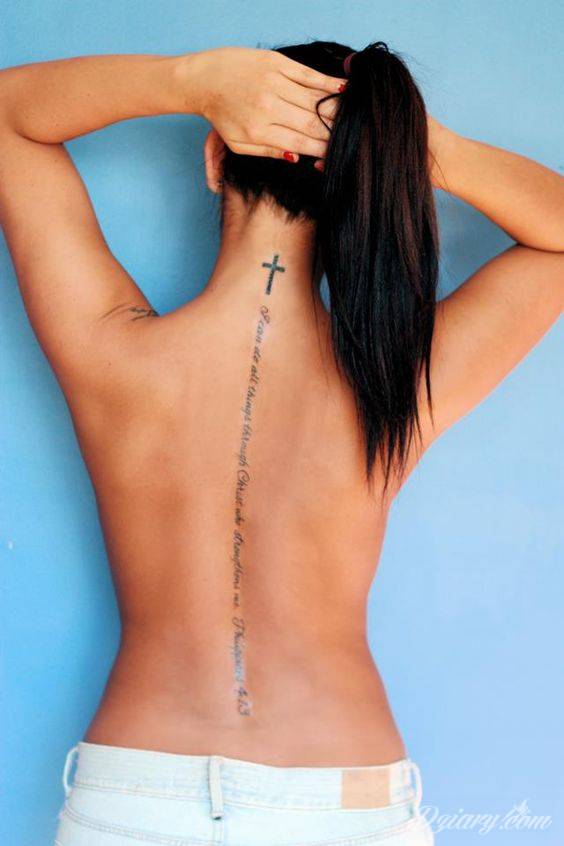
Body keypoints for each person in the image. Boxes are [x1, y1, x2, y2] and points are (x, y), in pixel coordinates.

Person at [0, 39, 562, 846]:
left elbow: (8, 117)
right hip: (346, 802)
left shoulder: (112, 354)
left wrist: (188, 80)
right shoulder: (395, 386)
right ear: (362, 187)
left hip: (134, 798)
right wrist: (405, 149)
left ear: (213, 159)